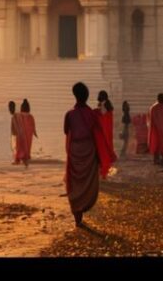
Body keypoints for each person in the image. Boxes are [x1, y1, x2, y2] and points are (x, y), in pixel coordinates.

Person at [64, 82, 114, 229]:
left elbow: (68, 133)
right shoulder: (92, 114)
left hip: (75, 150)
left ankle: (77, 217)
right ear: (86, 96)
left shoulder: (69, 115)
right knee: (87, 182)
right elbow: (98, 134)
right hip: (89, 150)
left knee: (74, 182)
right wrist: (102, 154)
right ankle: (82, 210)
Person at [15, 99, 37, 167]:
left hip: (20, 133)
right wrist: (34, 132)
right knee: (27, 145)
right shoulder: (30, 116)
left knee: (19, 145)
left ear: (21, 108)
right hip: (28, 133)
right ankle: (26, 157)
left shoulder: (18, 115)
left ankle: (18, 159)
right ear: (28, 108)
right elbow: (33, 125)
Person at [97, 91, 116, 166]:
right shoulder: (108, 104)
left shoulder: (103, 104)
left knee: (105, 142)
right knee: (108, 141)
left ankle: (106, 157)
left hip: (104, 127)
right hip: (108, 127)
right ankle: (109, 156)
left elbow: (102, 114)